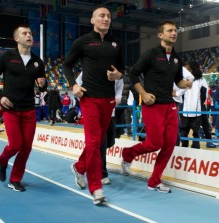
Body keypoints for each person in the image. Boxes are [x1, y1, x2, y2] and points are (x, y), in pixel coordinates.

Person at [63, 7, 124, 205]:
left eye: (108, 16)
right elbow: (66, 65)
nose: (106, 19)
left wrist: (119, 75)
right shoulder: (83, 41)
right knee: (93, 141)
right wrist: (74, 85)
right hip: (89, 98)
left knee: (98, 142)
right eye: (102, 16)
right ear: (92, 20)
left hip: (108, 100)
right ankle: (96, 187)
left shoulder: (115, 44)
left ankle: (80, 167)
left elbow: (122, 68)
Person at [121, 20, 190, 193]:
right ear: (161, 35)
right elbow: (133, 73)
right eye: (169, 30)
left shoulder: (176, 58)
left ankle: (154, 181)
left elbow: (178, 81)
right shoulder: (150, 54)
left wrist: (185, 84)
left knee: (170, 144)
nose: (174, 33)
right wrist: (143, 94)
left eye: (175, 30)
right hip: (152, 105)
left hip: (170, 106)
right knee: (154, 143)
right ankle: (128, 154)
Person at [0, 24, 46, 192]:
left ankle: (15, 179)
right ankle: (2, 161)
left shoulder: (37, 62)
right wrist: (0, 97)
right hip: (11, 108)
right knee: (15, 145)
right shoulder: (7, 57)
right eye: (25, 33)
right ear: (17, 38)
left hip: (29, 109)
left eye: (30, 33)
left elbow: (42, 87)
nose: (29, 35)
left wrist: (43, 84)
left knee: (26, 148)